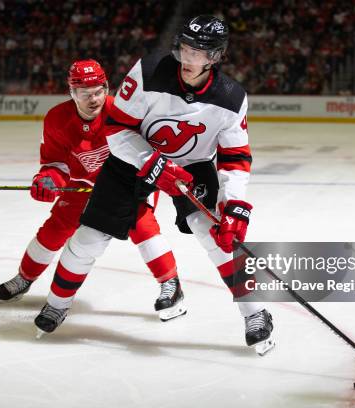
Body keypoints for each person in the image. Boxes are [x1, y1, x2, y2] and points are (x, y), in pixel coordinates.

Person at [34, 16, 275, 356]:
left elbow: (235, 157)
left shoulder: (232, 98)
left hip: (193, 166)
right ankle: (57, 303)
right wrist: (151, 162)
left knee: (217, 237)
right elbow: (117, 128)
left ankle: (256, 313)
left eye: (199, 52)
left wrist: (234, 206)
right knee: (89, 236)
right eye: (186, 48)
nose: (188, 58)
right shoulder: (149, 70)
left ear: (215, 57)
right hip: (133, 159)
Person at [0, 59, 186, 322]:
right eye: (85, 94)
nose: (94, 99)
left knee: (141, 225)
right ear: (72, 93)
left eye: (99, 91)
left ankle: (171, 285)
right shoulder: (57, 119)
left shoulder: (122, 110)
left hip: (127, 183)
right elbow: (55, 163)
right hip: (83, 186)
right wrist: (49, 180)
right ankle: (24, 278)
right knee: (55, 229)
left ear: (107, 87)